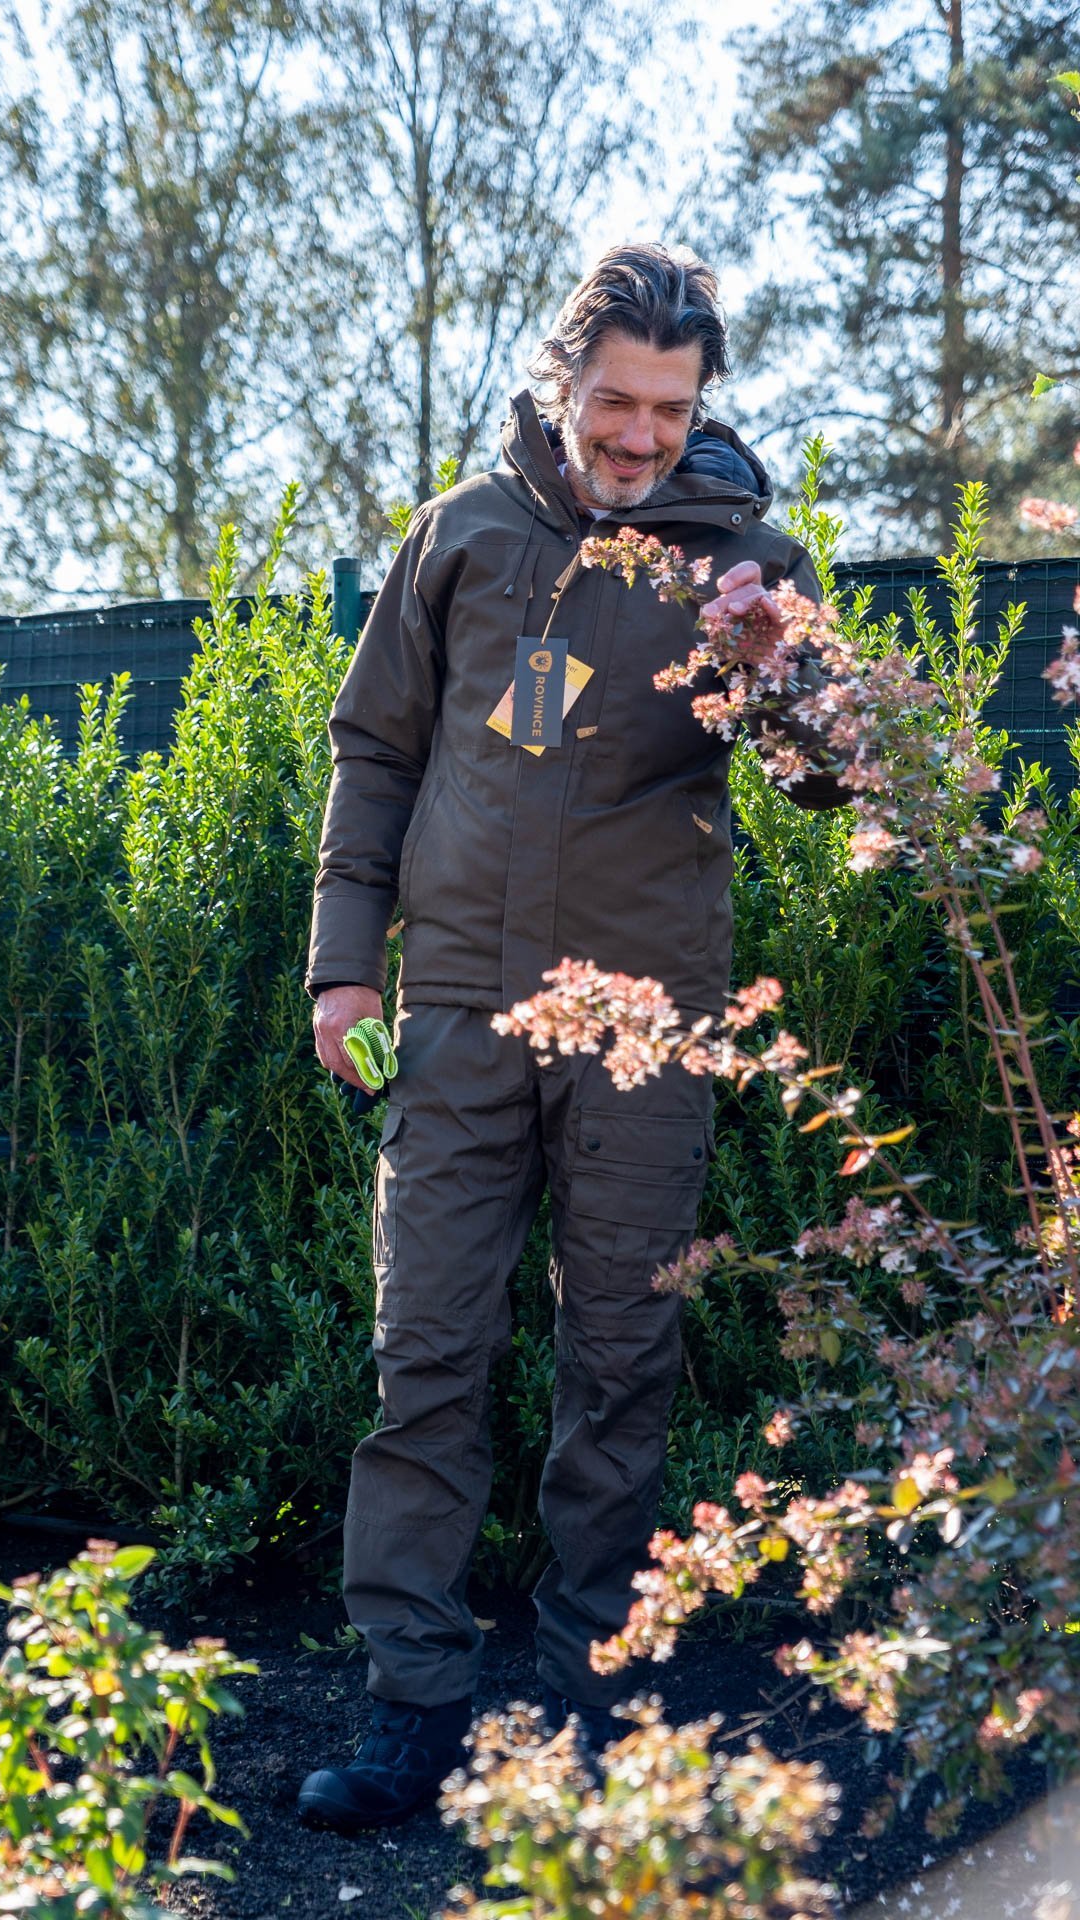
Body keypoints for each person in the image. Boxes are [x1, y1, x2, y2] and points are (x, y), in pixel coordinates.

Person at [297, 242, 847, 1832]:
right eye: (616, 399)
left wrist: (773, 679)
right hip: (457, 1013)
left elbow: (826, 784)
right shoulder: (460, 535)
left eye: (672, 408)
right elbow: (375, 752)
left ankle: (590, 1707)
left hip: (645, 1030)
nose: (640, 437)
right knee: (426, 1363)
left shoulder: (746, 562)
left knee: (620, 1366)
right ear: (563, 380)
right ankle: (414, 1710)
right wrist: (346, 970)